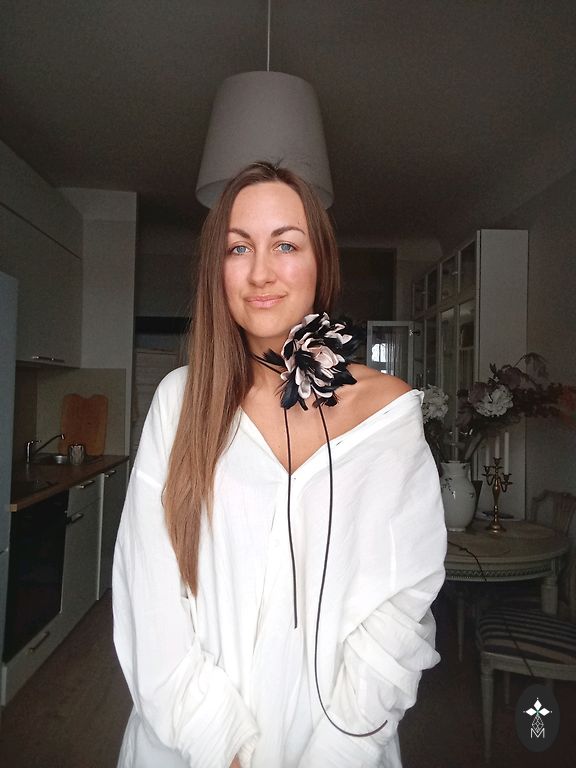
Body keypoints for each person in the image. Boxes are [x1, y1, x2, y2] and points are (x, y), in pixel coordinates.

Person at [113, 161, 447, 768]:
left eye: (286, 245)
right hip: (188, 745)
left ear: (321, 262)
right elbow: (149, 596)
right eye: (239, 247)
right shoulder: (181, 402)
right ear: (217, 269)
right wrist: (221, 745)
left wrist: (338, 753)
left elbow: (401, 608)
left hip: (340, 746)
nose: (260, 272)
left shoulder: (389, 414)